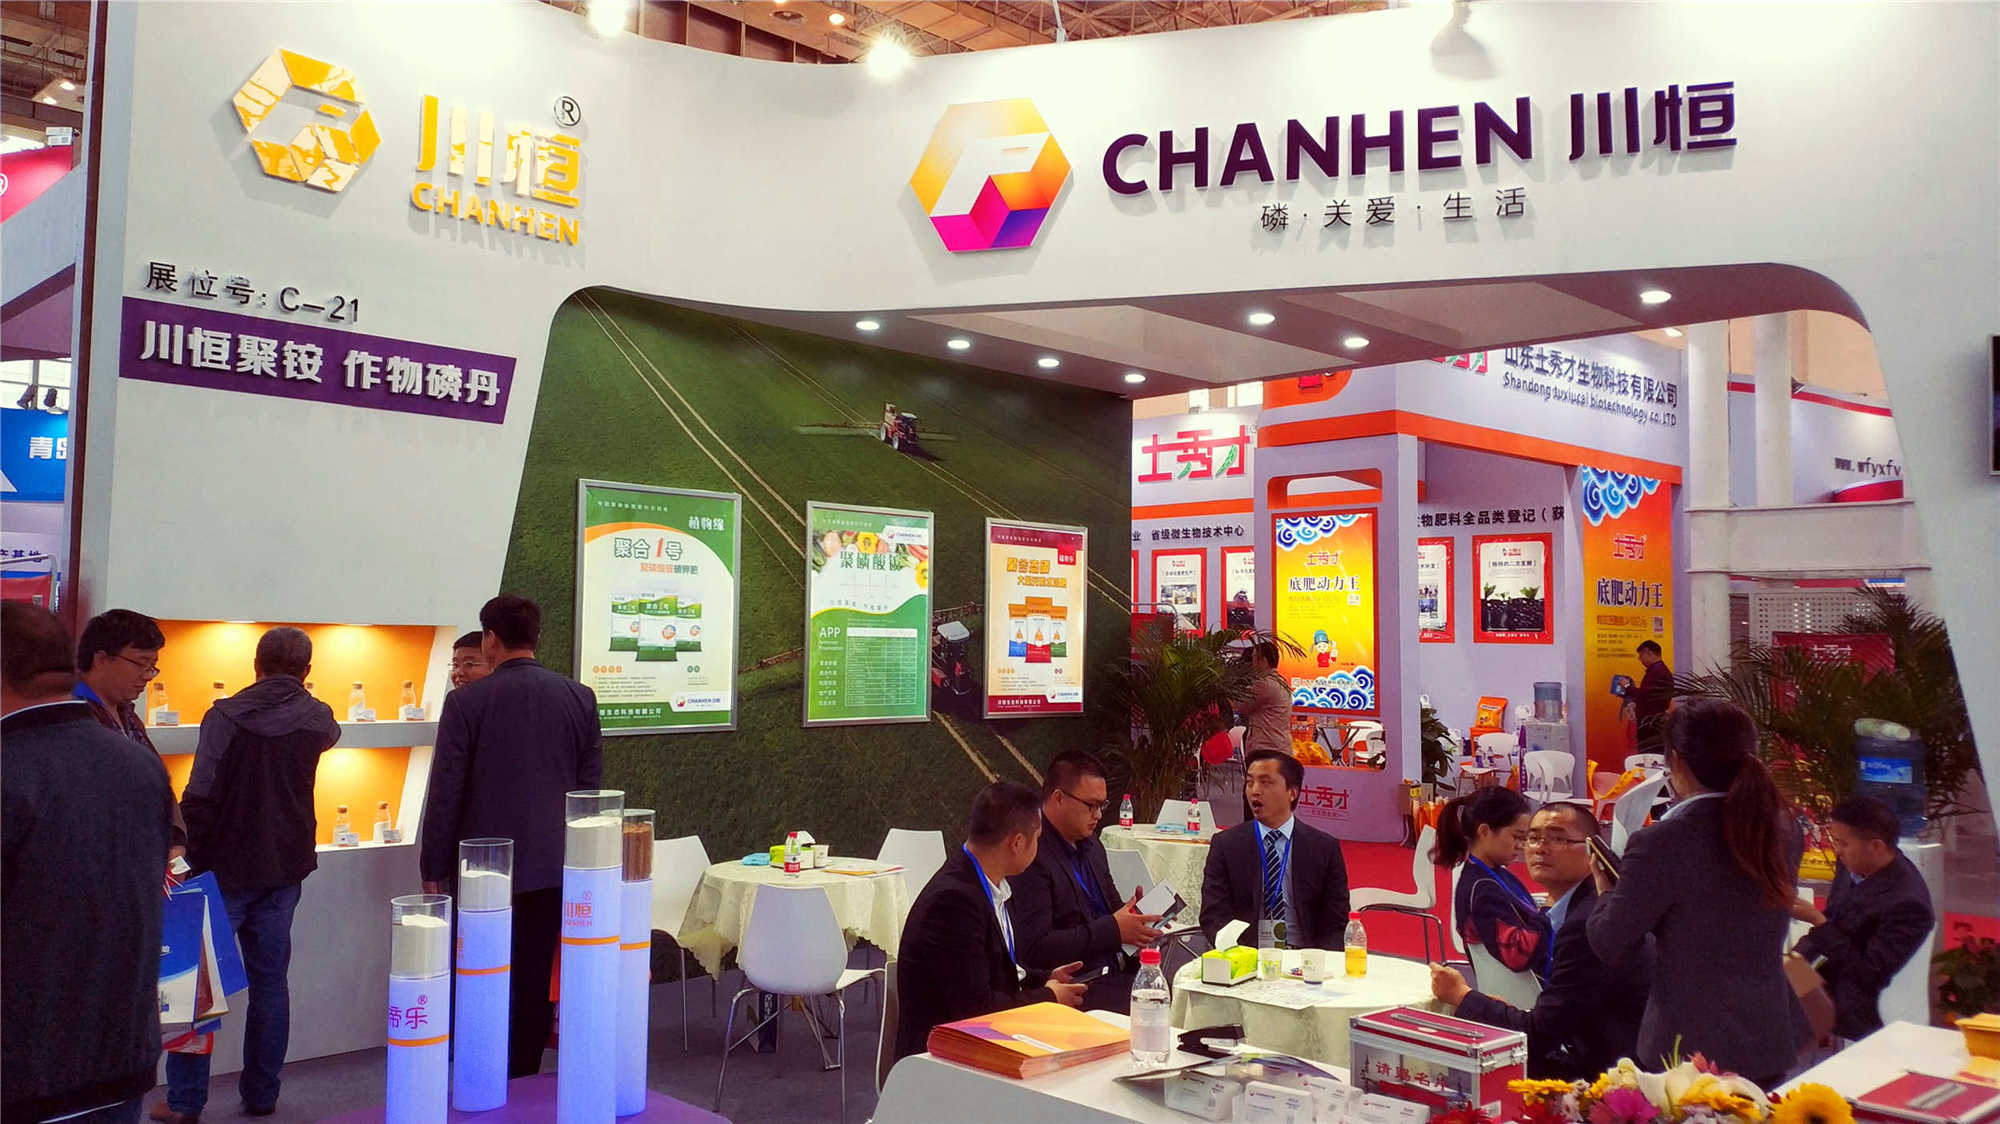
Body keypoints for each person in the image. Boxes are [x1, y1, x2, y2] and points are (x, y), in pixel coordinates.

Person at [3, 603, 176, 1124]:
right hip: (120, 1052)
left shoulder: (13, 768)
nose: (146, 676)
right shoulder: (138, 764)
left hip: (26, 1066)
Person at [162, 626, 341, 1122]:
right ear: (307, 671)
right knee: (271, 983)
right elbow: (330, 735)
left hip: (222, 865)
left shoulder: (224, 717)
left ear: (256, 665)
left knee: (198, 986)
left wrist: (186, 854)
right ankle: (262, 1095)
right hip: (285, 864)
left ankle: (185, 1102)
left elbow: (200, 791)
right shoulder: (318, 718)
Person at [420, 595, 602, 1078]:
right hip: (554, 864)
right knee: (534, 974)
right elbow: (590, 794)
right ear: (536, 637)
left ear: (490, 640)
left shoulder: (466, 703)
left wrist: (432, 865)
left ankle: (481, 1072)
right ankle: (523, 1075)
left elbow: (446, 791)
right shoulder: (579, 697)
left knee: (480, 969)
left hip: (483, 868)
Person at [1586, 697, 1804, 1087]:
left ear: (1676, 762)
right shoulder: (1783, 830)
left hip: (1687, 1048)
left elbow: (1610, 942)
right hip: (1767, 1033)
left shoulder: (1662, 842)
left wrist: (1604, 892)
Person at [1430, 802, 1652, 1079]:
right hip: (1609, 1045)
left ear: (1592, 849)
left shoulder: (1585, 924)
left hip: (1610, 1072)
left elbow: (1537, 1036)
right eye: (1532, 838)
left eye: (1557, 838)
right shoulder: (1593, 903)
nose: (1540, 848)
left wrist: (1462, 996)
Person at [894, 781, 1087, 1061]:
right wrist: (1048, 996)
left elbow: (990, 970)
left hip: (981, 1040)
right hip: (942, 1057)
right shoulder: (953, 902)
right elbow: (975, 1009)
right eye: (1037, 839)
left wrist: (1044, 978)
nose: (1038, 848)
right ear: (1017, 843)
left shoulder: (985, 883)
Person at [1010, 751, 1165, 1012]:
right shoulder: (1031, 853)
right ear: (1058, 798)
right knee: (1160, 1011)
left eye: (1102, 805)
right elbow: (1036, 947)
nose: (1098, 815)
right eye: (1090, 805)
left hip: (1119, 970)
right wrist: (1113, 929)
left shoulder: (1091, 845)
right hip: (1076, 985)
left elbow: (1111, 909)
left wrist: (1137, 918)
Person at [1791, 796, 1935, 1041]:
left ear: (1876, 846)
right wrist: (1793, 962)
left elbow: (1867, 973)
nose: (1837, 851)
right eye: (1835, 841)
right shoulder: (1853, 866)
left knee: (1770, 1010)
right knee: (1764, 984)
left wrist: (1818, 922)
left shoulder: (1907, 903)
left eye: (1843, 843)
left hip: (1855, 1000)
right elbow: (1835, 919)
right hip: (1824, 975)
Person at [1199, 749, 1350, 949]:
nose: (1255, 791)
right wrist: (1236, 953)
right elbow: (1213, 914)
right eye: (1250, 782)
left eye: (1266, 782)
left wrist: (1317, 960)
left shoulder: (1324, 848)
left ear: (1292, 793)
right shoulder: (1226, 845)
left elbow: (1336, 921)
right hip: (1247, 954)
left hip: (1304, 955)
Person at [74, 607, 187, 861]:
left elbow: (157, 782)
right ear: (100, 659)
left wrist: (175, 840)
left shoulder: (128, 716)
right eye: (140, 664)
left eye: (152, 666)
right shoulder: (70, 718)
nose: (147, 676)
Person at [1431, 786, 1549, 982]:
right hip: (1533, 989)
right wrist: (1549, 909)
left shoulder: (1490, 875)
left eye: (1525, 838)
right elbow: (1518, 954)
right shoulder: (1482, 888)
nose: (1521, 846)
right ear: (1484, 831)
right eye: (1517, 836)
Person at [1238, 639, 1293, 756]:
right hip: (1280, 746)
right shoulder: (1281, 682)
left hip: (1266, 748)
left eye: (1253, 658)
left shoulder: (1263, 684)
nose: (1251, 664)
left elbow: (1242, 706)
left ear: (1262, 661)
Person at [1622, 641, 1673, 751]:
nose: (1639, 659)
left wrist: (1627, 687)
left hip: (1651, 723)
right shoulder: (1659, 670)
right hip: (1653, 721)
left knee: (1649, 753)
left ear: (1648, 653)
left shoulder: (1657, 672)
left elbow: (1643, 695)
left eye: (1641, 655)